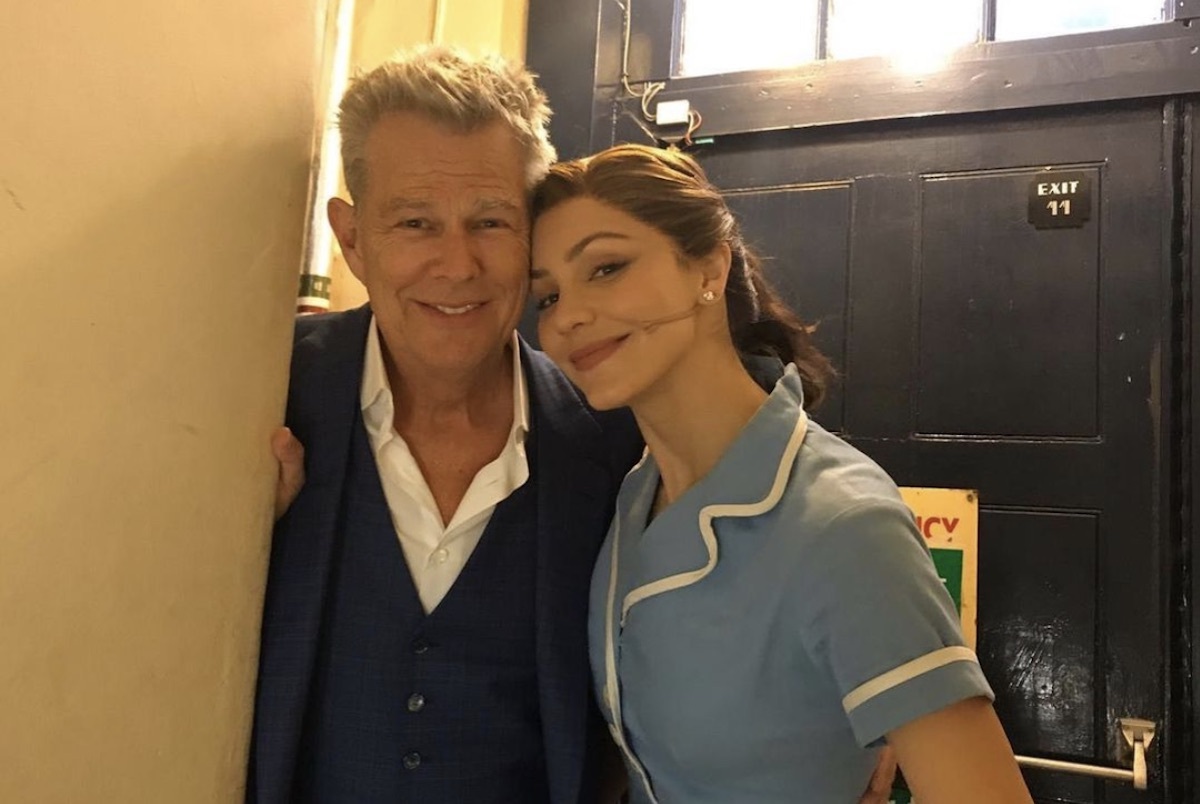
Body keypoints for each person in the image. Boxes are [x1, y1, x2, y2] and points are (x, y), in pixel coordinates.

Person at [253, 46, 897, 804]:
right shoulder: (261, 398)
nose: (457, 265)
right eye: (416, 222)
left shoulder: (621, 445)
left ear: (532, 235)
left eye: (491, 221)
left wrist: (835, 736)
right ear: (353, 238)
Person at [528, 143, 1034, 804]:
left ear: (709, 268)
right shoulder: (633, 496)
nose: (567, 316)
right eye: (547, 296)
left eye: (607, 267)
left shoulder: (843, 525)